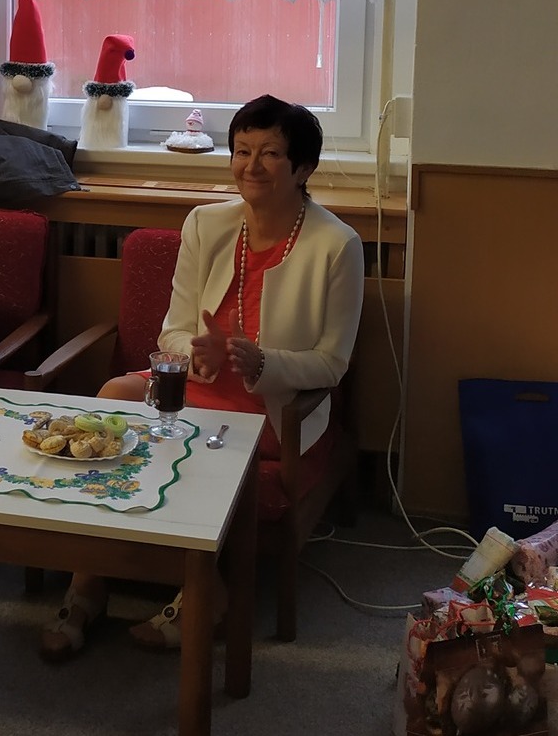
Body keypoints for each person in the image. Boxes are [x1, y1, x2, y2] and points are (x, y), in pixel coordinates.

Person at [39, 94, 364, 661]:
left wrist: (261, 362)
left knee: (188, 448)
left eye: (270, 153)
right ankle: (90, 581)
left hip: (272, 404)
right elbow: (171, 332)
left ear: (303, 168)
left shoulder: (337, 245)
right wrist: (199, 357)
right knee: (112, 398)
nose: (251, 166)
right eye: (242, 150)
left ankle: (203, 592)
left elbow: (332, 363)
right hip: (194, 385)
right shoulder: (205, 223)